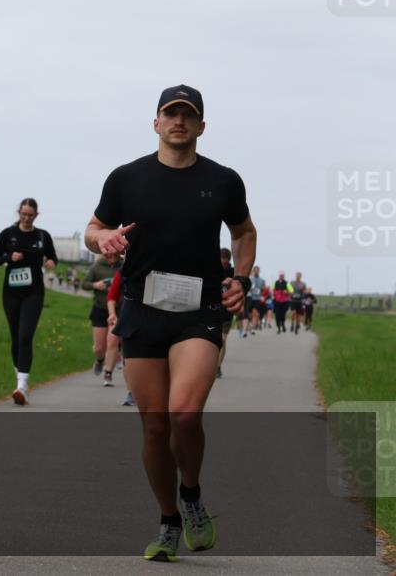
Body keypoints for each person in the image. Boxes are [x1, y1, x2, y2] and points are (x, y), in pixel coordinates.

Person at [85, 84, 256, 561]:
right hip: (143, 311)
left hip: (199, 312)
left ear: (201, 126)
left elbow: (244, 232)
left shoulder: (223, 180)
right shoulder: (126, 178)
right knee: (155, 427)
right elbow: (93, 229)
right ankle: (168, 519)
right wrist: (103, 239)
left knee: (183, 414)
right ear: (156, 123)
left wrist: (242, 278)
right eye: (170, 113)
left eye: (188, 114)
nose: (179, 121)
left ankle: (192, 493)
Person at [0, 198, 58, 404]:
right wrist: (9, 257)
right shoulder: (8, 234)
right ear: (18, 213)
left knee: (25, 336)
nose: (26, 218)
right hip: (11, 293)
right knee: (16, 338)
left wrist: (51, 261)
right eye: (23, 214)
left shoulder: (42, 236)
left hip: (34, 293)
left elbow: (53, 257)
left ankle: (22, 386)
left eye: (30, 215)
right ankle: (19, 380)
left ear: (36, 215)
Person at [83, 252, 124, 384]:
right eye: (108, 255)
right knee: (99, 348)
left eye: (114, 255)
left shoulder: (123, 266)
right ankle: (100, 360)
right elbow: (84, 284)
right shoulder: (96, 267)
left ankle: (108, 372)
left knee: (112, 341)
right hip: (100, 308)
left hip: (118, 309)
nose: (111, 258)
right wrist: (96, 285)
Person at [106, 269, 135, 405]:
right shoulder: (123, 271)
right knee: (129, 357)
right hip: (125, 316)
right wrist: (112, 314)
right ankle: (131, 392)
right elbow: (112, 296)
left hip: (152, 317)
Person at [216, 248, 234, 378]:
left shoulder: (233, 273)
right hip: (213, 309)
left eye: (225, 262)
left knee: (222, 339)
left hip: (227, 310)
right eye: (221, 261)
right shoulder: (212, 270)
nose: (223, 264)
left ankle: (218, 367)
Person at [247, 266, 266, 332]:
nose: (256, 272)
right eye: (255, 270)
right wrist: (250, 288)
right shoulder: (250, 279)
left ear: (259, 271)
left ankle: (253, 326)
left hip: (257, 298)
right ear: (253, 271)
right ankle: (250, 323)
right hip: (250, 297)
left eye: (257, 270)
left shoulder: (262, 280)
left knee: (255, 312)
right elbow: (247, 287)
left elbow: (263, 289)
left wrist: (261, 289)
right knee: (249, 313)